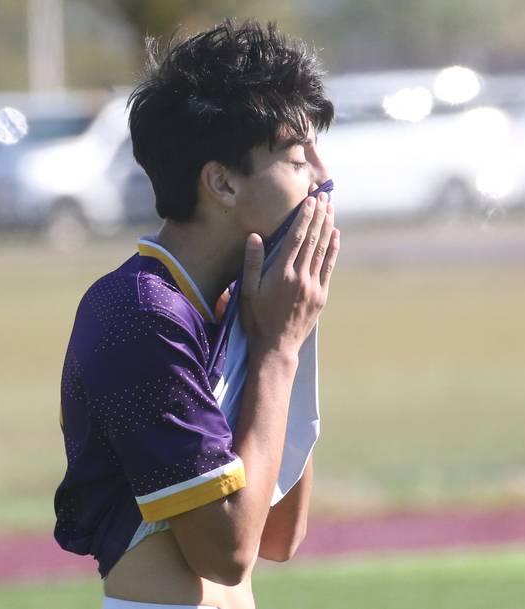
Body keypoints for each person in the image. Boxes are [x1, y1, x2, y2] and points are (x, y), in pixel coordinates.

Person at [53, 21, 339, 609]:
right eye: (296, 155)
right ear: (222, 184)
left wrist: (291, 329)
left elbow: (279, 535)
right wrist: (278, 351)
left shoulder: (242, 303)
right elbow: (227, 553)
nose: (322, 175)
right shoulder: (137, 313)